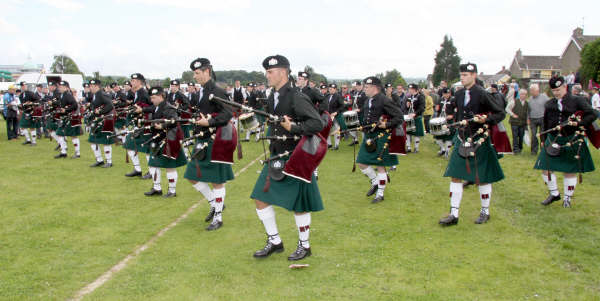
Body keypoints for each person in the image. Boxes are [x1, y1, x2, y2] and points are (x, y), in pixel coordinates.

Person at [250, 55, 324, 261]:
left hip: (296, 156)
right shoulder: (273, 95)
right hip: (277, 155)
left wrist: (294, 127)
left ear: (283, 72)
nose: (267, 75)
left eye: (270, 72)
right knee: (260, 197)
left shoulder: (296, 96)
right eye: (266, 71)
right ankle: (275, 241)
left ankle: (305, 245)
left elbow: (317, 123)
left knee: (299, 204)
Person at [439, 63, 505, 226]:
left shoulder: (482, 94)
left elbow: (500, 113)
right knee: (455, 176)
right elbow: (453, 109)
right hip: (462, 139)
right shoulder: (459, 94)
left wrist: (487, 119)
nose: (462, 78)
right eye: (461, 75)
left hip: (478, 140)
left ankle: (485, 211)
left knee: (482, 178)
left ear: (474, 75)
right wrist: (449, 118)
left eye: (466, 75)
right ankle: (454, 214)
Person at [183, 58, 234, 231]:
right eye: (194, 73)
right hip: (202, 139)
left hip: (215, 141)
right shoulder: (202, 91)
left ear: (207, 71)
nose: (195, 76)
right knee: (191, 174)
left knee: (217, 181)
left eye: (197, 73)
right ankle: (214, 203)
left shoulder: (218, 91)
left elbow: (228, 114)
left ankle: (218, 218)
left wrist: (210, 122)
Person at [534, 76, 596, 208]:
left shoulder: (577, 100)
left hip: (571, 138)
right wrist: (543, 140)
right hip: (553, 138)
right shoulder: (549, 104)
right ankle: (554, 193)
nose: (556, 93)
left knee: (569, 170)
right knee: (545, 168)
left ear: (565, 87)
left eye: (558, 89)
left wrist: (579, 123)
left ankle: (567, 198)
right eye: (554, 90)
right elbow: (545, 123)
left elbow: (592, 114)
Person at [356, 77, 403, 203]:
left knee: (381, 166)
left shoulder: (384, 100)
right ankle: (375, 181)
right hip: (369, 136)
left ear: (375, 88)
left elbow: (399, 117)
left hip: (381, 136)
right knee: (361, 162)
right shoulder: (367, 100)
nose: (365, 89)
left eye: (367, 87)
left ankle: (380, 194)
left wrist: (386, 125)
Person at [137, 86, 187, 198]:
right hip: (156, 139)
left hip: (167, 140)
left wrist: (162, 126)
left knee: (170, 166)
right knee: (153, 165)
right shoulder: (156, 107)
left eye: (154, 97)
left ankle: (172, 191)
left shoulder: (169, 108)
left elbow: (174, 121)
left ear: (161, 96)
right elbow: (149, 109)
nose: (152, 100)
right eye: (151, 97)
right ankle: (157, 188)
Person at [123, 73, 153, 178]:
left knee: (147, 149)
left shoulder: (144, 93)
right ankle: (137, 169)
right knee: (129, 144)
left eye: (134, 81)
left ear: (140, 82)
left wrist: (143, 110)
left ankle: (151, 171)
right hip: (138, 124)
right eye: (131, 80)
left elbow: (154, 107)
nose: (132, 82)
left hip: (146, 125)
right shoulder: (136, 93)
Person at [87, 79, 115, 168]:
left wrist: (101, 112)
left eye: (92, 86)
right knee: (93, 140)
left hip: (105, 120)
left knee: (106, 141)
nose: (90, 88)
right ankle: (99, 160)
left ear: (97, 86)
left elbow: (110, 105)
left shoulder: (102, 94)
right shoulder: (95, 95)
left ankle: (109, 161)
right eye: (90, 86)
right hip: (97, 120)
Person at [54, 81, 82, 159]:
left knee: (73, 135)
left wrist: (66, 110)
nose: (59, 88)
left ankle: (77, 153)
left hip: (70, 118)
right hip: (63, 118)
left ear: (66, 88)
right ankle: (63, 152)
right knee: (60, 134)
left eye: (61, 87)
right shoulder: (62, 95)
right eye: (59, 86)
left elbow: (75, 105)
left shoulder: (68, 95)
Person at [433, 88, 456, 157]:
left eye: (447, 93)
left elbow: (457, 111)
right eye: (444, 94)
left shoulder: (453, 100)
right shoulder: (440, 99)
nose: (446, 95)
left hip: (449, 121)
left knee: (448, 138)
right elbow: (437, 109)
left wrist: (452, 116)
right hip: (440, 121)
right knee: (438, 137)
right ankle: (443, 149)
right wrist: (436, 108)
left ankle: (447, 152)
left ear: (450, 93)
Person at [17, 81, 41, 145]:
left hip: (32, 112)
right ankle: (28, 140)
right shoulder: (21, 95)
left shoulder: (31, 93)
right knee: (22, 126)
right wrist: (21, 106)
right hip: (25, 112)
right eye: (22, 86)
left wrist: (31, 103)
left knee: (32, 127)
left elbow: (38, 101)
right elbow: (22, 104)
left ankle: (34, 141)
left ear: (26, 86)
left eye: (25, 86)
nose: (23, 87)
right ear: (21, 87)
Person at [527, 84, 549, 154]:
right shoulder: (530, 99)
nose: (531, 92)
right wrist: (528, 118)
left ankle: (543, 150)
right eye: (531, 90)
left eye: (533, 90)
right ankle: (534, 151)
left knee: (542, 135)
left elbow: (549, 105)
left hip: (542, 118)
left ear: (537, 90)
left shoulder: (544, 97)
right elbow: (528, 110)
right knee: (533, 135)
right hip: (533, 119)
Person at [506, 88, 529, 154]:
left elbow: (527, 113)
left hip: (522, 123)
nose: (523, 95)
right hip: (514, 122)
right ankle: (515, 150)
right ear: (519, 94)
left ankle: (520, 148)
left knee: (521, 136)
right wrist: (512, 114)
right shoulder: (514, 101)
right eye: (522, 94)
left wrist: (527, 119)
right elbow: (507, 109)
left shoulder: (527, 103)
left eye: (525, 94)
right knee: (515, 136)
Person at [404, 84, 425, 153]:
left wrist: (415, 114)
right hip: (409, 117)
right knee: (407, 132)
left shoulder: (420, 97)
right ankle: (408, 147)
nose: (409, 90)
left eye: (410, 89)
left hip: (417, 117)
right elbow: (407, 108)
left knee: (416, 134)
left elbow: (422, 108)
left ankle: (416, 148)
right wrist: (407, 106)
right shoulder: (409, 97)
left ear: (414, 89)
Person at [326, 83, 344, 150]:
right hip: (328, 116)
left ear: (335, 89)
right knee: (327, 130)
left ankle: (336, 145)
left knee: (336, 131)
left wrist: (336, 112)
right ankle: (329, 144)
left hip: (336, 116)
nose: (330, 90)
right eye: (329, 89)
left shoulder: (338, 96)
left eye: (332, 89)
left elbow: (342, 106)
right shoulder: (327, 96)